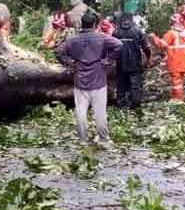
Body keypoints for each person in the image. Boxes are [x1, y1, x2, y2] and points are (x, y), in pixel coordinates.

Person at [55, 11, 122, 143]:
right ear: (95, 24)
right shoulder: (102, 37)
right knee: (100, 112)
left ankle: (83, 139)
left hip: (80, 79)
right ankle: (104, 138)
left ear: (81, 24)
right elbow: (119, 45)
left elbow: (58, 51)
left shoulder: (72, 39)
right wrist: (108, 60)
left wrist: (69, 63)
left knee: (81, 111)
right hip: (99, 78)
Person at [113, 13, 151, 110]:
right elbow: (145, 47)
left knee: (121, 85)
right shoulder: (137, 31)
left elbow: (111, 47)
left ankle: (120, 106)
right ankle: (135, 106)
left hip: (120, 63)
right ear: (131, 20)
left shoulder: (116, 32)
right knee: (135, 85)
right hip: (135, 63)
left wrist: (111, 59)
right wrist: (148, 57)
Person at [150, 13, 185, 101]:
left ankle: (177, 99)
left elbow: (162, 44)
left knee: (176, 82)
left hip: (175, 62)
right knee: (181, 81)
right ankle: (179, 96)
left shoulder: (171, 33)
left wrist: (154, 37)